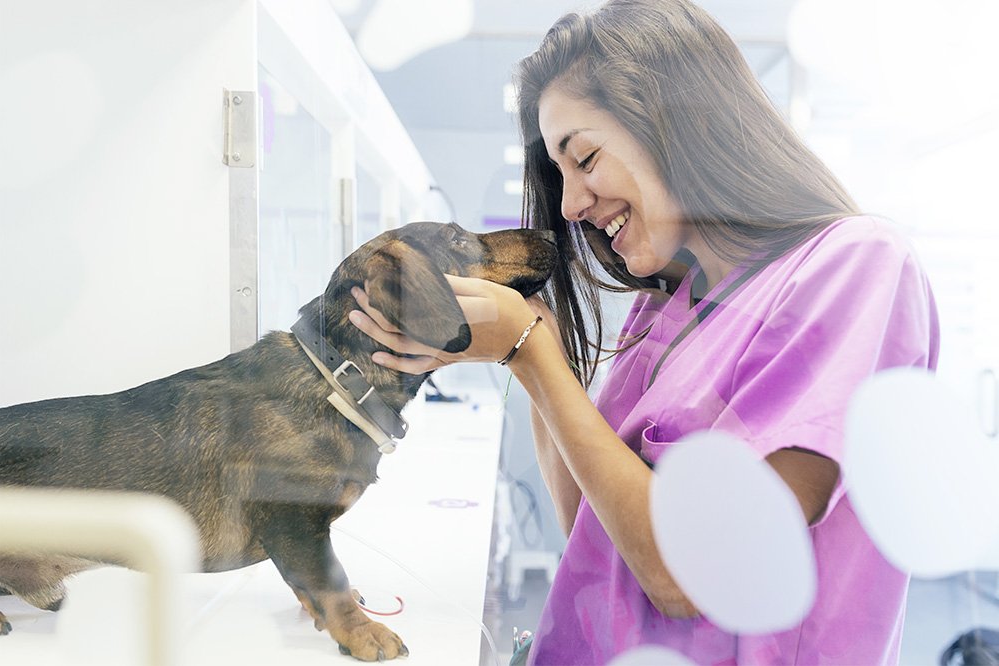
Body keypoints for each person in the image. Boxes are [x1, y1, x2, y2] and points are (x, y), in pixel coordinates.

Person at [348, 0, 940, 663]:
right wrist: (533, 351)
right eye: (561, 175)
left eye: (586, 158)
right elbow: (594, 534)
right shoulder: (669, 306)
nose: (571, 204)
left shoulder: (856, 266)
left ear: (678, 124)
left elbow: (691, 575)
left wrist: (532, 353)